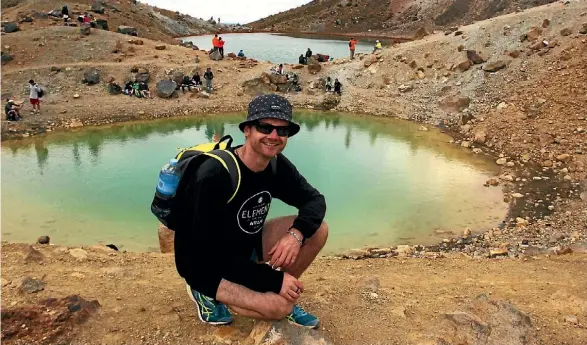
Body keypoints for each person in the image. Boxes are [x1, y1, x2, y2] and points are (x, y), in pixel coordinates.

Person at [174, 93, 328, 328]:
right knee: (280, 308)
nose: (274, 136)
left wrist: (295, 235)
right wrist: (273, 280)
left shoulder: (275, 164)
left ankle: (280, 290)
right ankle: (204, 292)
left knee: (317, 231)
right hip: (205, 264)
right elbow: (205, 253)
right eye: (265, 127)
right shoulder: (214, 174)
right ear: (247, 130)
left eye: (282, 130)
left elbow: (314, 200)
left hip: (245, 248)